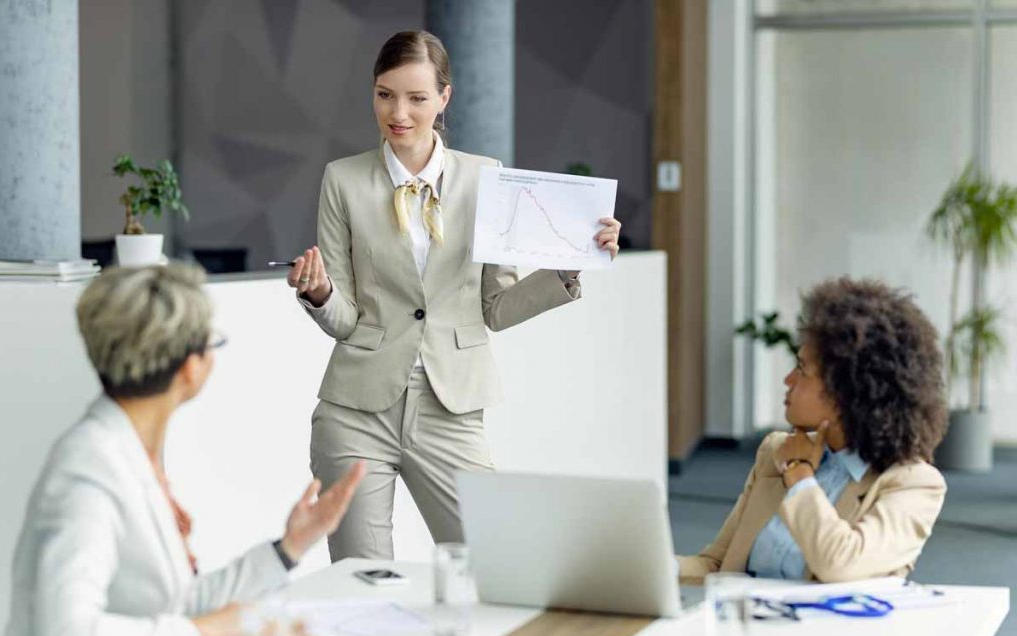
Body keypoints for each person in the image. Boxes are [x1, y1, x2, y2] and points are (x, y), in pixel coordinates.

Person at [287, 30, 622, 561]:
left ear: (444, 97)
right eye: (385, 94)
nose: (398, 112)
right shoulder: (343, 181)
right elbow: (347, 320)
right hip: (355, 412)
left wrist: (566, 267)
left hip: (451, 406)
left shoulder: (486, 177)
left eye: (417, 97)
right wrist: (322, 292)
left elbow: (497, 307)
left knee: (494, 560)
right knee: (362, 583)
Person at [0, 265, 365, 636]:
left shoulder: (133, 450)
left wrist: (290, 547)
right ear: (189, 368)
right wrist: (202, 632)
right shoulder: (88, 472)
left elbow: (175, 605)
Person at [677, 277, 949, 584]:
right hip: (739, 624)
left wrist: (799, 475)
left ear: (847, 393)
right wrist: (656, 568)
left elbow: (840, 563)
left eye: (802, 370)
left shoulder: (912, 484)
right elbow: (717, 565)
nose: (788, 380)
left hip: (823, 630)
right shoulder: (775, 451)